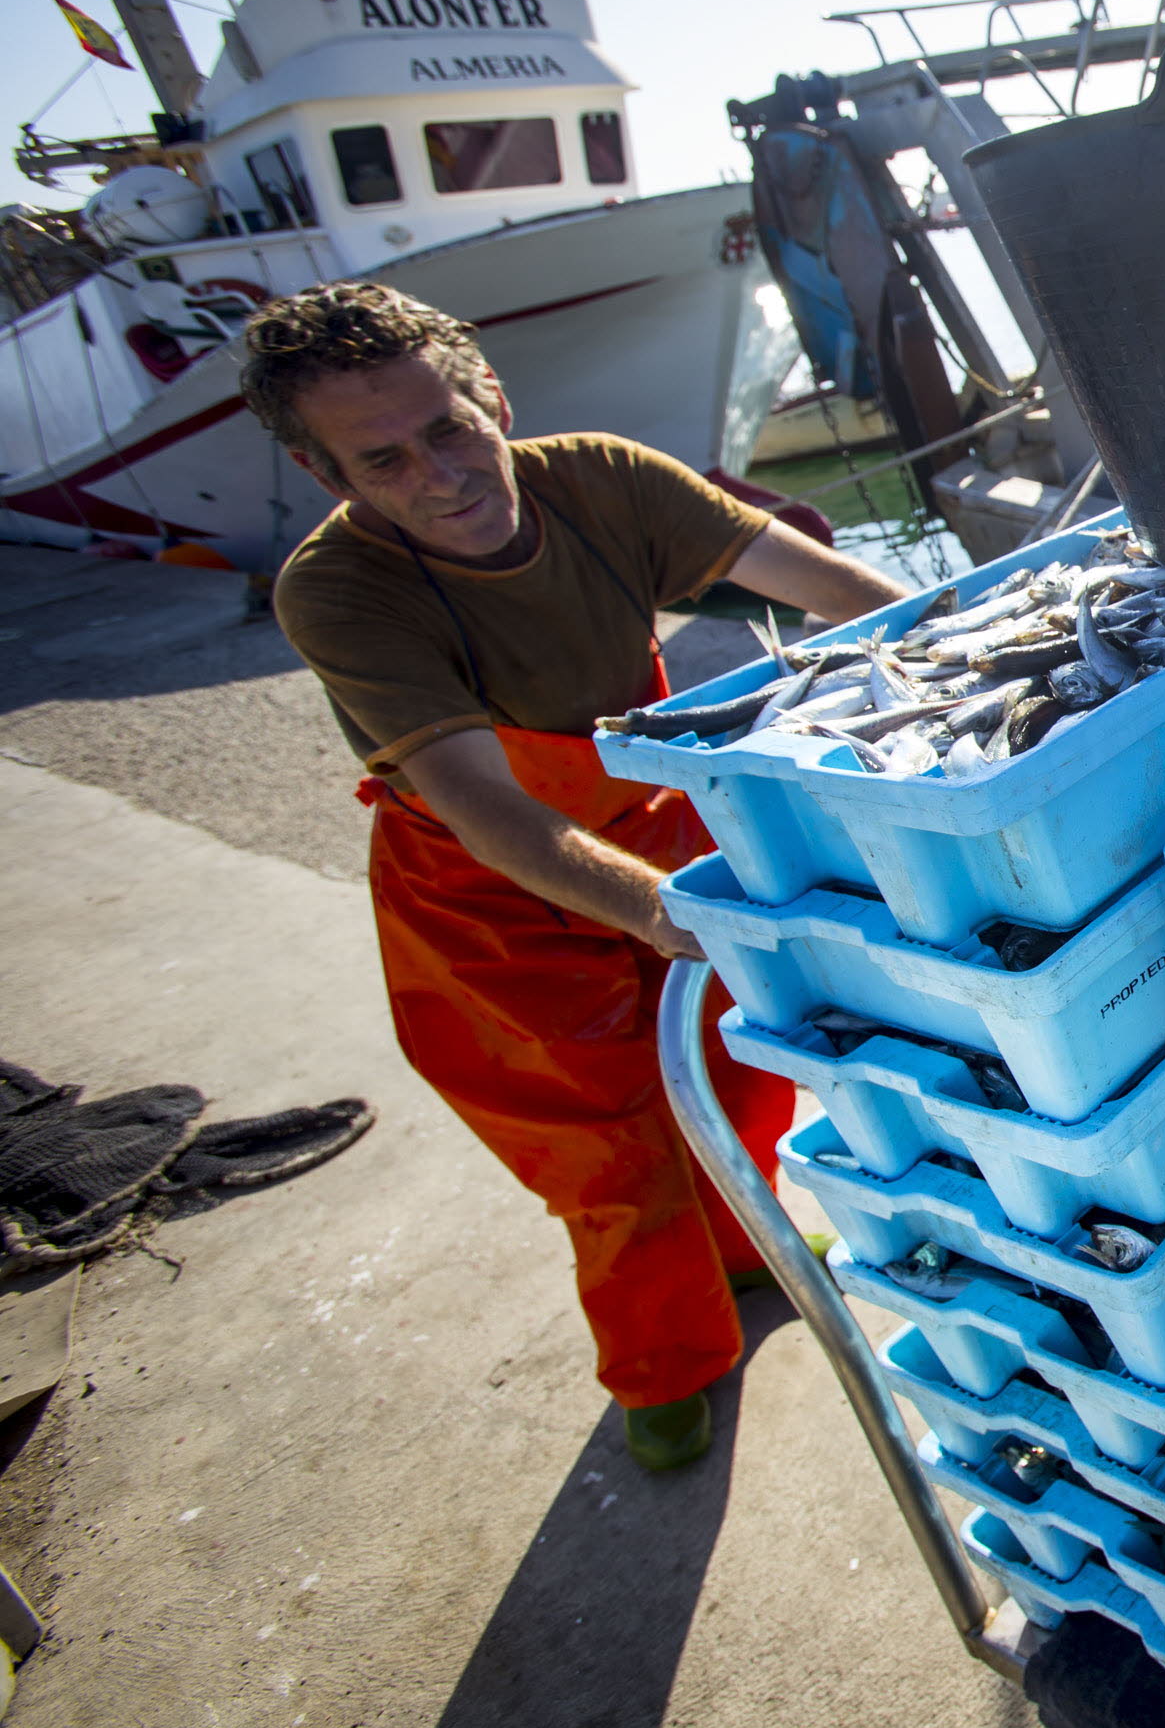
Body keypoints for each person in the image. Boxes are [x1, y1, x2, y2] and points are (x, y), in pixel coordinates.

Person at [248, 282, 907, 1472]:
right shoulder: (334, 590)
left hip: (648, 806)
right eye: (383, 458)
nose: (440, 473)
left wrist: (976, 657)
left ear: (492, 394)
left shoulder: (601, 475)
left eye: (450, 426)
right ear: (326, 474)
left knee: (734, 1070)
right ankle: (664, 1369)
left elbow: (833, 586)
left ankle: (751, 1247)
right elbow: (487, 804)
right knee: (604, 1149)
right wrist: (665, 914)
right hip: (482, 883)